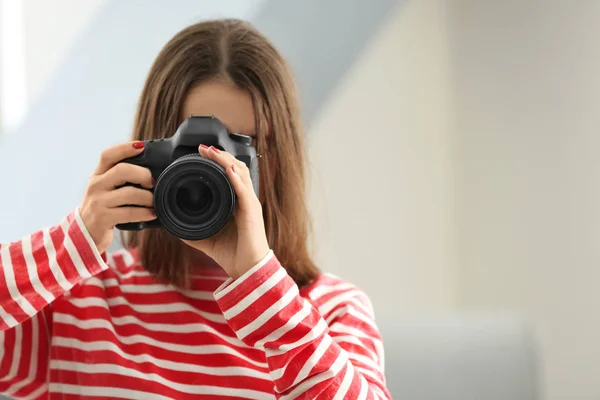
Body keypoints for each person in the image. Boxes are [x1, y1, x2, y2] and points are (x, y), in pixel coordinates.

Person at [0, 19, 391, 399]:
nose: (216, 171)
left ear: (276, 157)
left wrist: (264, 290)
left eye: (240, 148)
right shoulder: (78, 302)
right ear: (151, 150)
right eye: (192, 150)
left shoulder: (333, 309)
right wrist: (73, 241)